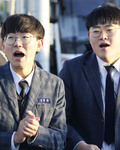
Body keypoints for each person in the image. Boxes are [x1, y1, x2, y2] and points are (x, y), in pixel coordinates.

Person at [0, 14, 67, 150]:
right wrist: (14, 138)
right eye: (11, 38)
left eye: (25, 38)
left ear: (39, 44)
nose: (17, 44)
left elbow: (60, 139)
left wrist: (37, 132)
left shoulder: (55, 84)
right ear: (3, 45)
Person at [59, 4, 120, 150]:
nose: (102, 36)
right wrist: (79, 144)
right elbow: (58, 118)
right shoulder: (72, 70)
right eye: (96, 31)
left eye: (109, 30)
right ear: (89, 36)